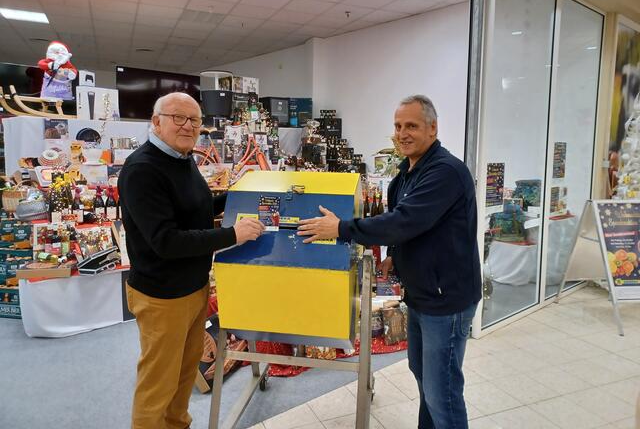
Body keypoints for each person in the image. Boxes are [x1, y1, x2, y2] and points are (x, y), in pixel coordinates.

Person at [297, 95, 481, 429]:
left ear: (432, 128)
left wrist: (339, 228)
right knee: (424, 376)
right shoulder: (407, 173)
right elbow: (407, 222)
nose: (402, 133)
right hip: (421, 293)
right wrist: (394, 254)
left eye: (411, 125)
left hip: (447, 299)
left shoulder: (445, 172)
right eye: (398, 126)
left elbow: (405, 221)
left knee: (443, 393)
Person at [118, 92, 265, 429]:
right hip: (162, 296)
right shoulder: (143, 169)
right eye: (178, 118)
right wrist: (233, 235)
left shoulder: (181, 158)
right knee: (158, 383)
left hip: (192, 288)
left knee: (184, 375)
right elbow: (166, 241)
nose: (188, 126)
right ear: (157, 122)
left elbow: (196, 208)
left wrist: (244, 193)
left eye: (195, 120)